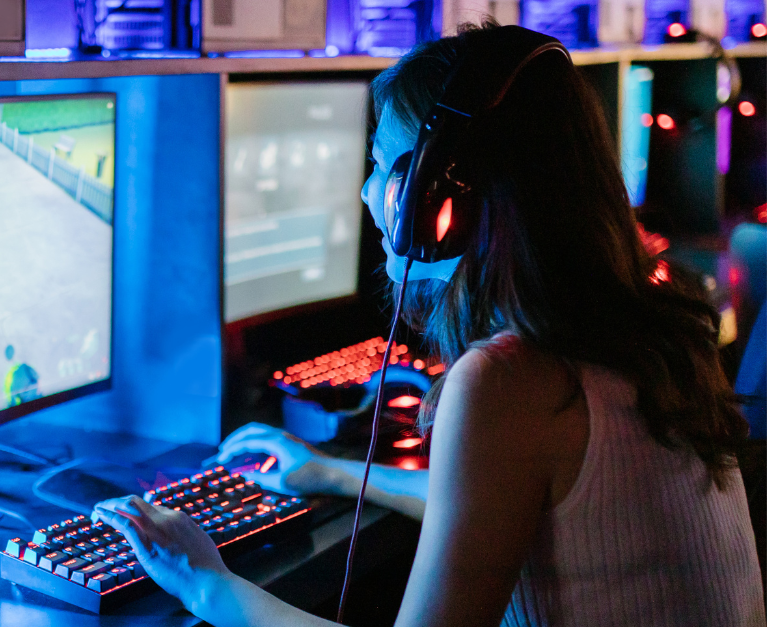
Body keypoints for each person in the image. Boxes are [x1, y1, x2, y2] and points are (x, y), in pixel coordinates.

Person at [93, 23, 766, 627]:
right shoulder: (656, 329)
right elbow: (490, 504)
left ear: (445, 199)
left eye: (386, 167)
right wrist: (330, 472)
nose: (368, 193)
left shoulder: (509, 380)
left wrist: (204, 582)